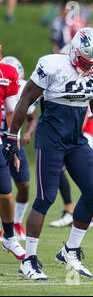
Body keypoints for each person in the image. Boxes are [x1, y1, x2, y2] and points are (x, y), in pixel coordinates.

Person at [2, 28, 93, 280]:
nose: (89, 68)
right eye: (86, 62)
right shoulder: (51, 65)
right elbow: (23, 101)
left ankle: (70, 250)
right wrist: (12, 135)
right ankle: (28, 260)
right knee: (45, 198)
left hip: (75, 140)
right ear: (75, 52)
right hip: (50, 139)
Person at [0, 56, 38, 241]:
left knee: (23, 184)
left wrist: (27, 133)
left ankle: (17, 223)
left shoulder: (22, 88)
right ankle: (5, 230)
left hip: (13, 141)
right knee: (3, 189)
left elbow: (32, 118)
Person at [0, 46, 26, 260]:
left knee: (6, 195)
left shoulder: (8, 74)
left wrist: (13, 145)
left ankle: (9, 237)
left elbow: (11, 114)